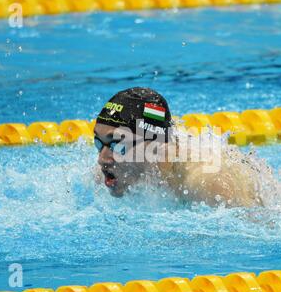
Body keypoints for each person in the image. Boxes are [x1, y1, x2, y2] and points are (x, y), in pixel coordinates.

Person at [93, 87, 262, 208]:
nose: (102, 159)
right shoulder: (108, 173)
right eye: (98, 143)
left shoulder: (209, 184)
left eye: (118, 145)